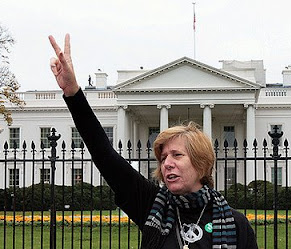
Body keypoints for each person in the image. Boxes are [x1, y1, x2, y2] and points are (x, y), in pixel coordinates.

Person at [49, 34, 258, 249]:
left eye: (177, 155)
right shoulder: (152, 206)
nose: (167, 163)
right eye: (163, 157)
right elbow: (105, 155)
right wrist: (73, 93)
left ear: (201, 163)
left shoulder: (236, 224)